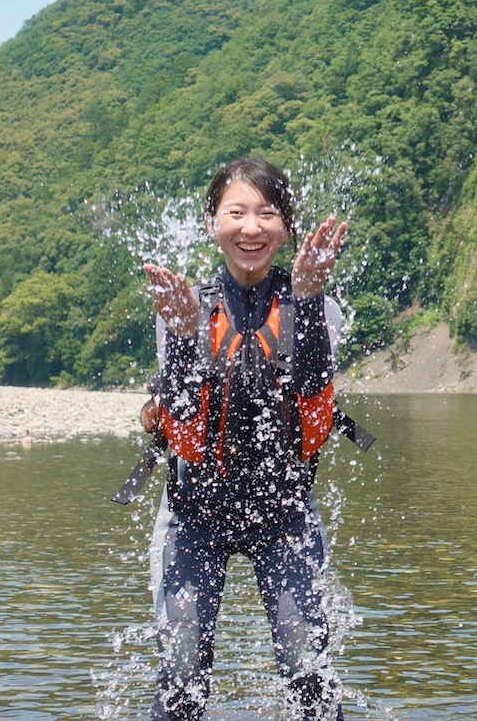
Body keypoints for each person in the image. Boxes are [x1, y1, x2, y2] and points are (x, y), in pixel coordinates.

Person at [142, 157, 349, 721]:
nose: (251, 228)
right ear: (212, 222)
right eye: (236, 212)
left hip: (283, 511)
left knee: (308, 667)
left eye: (267, 213)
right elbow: (184, 433)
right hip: (195, 510)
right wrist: (185, 335)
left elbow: (313, 425)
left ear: (286, 228)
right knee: (182, 670)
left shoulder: (318, 303)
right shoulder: (187, 305)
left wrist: (305, 303)